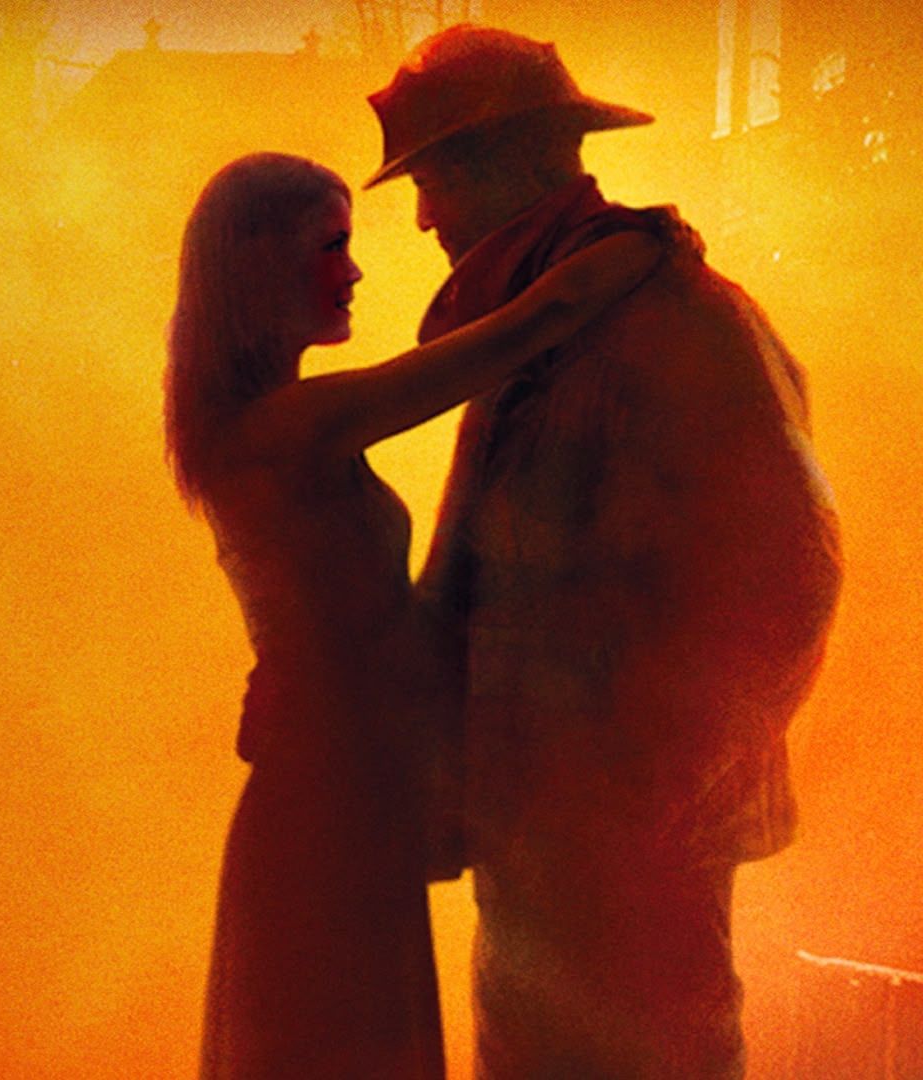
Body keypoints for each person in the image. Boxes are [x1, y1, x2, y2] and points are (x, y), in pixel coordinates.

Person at [361, 25, 844, 1077]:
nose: (424, 219)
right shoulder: (555, 326)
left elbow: (788, 575)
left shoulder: (676, 322)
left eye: (434, 182)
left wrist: (644, 801)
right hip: (543, 830)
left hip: (624, 847)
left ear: (507, 164)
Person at [166, 152, 666, 1079]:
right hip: (325, 802)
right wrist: (645, 242)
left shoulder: (266, 426)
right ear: (261, 265)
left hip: (342, 790)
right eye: (331, 246)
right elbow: (527, 329)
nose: (355, 270)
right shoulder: (289, 428)